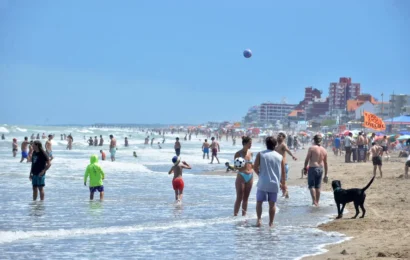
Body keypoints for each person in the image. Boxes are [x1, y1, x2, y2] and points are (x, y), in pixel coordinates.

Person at [253, 136, 286, 227]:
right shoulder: (280, 156)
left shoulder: (261, 154)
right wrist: (283, 184)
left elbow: (255, 167)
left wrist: (260, 174)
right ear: (275, 145)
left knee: (259, 202)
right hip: (274, 183)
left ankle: (259, 220)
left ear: (266, 144)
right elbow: (283, 172)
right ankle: (271, 223)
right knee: (272, 204)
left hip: (263, 182)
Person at [303, 135, 328, 207]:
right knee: (318, 187)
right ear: (321, 140)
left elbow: (307, 159)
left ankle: (314, 202)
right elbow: (326, 163)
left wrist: (305, 168)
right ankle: (317, 202)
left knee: (312, 186)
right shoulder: (324, 150)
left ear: (314, 140)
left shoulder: (311, 148)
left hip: (313, 168)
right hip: (320, 168)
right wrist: (326, 175)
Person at [233, 136, 254, 216]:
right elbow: (235, 167)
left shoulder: (251, 153)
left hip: (250, 176)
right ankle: (235, 216)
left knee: (246, 198)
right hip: (241, 175)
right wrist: (240, 164)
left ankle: (244, 216)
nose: (250, 145)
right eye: (249, 143)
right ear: (245, 143)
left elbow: (252, 165)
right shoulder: (238, 154)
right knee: (239, 197)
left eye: (251, 143)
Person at [275, 131, 297, 198]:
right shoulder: (276, 145)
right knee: (277, 180)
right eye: (278, 135)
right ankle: (285, 192)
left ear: (284, 138)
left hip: (283, 165)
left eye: (281, 135)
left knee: (283, 181)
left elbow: (288, 150)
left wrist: (293, 155)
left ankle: (284, 192)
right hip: (277, 165)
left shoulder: (283, 145)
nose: (279, 136)